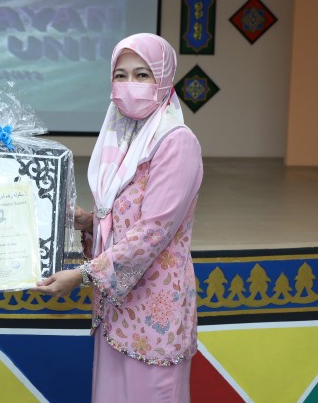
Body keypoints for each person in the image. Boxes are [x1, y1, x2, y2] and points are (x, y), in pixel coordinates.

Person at [34, 33, 202, 402]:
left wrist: (82, 275)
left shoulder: (175, 141)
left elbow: (154, 230)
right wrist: (90, 222)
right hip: (117, 308)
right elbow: (126, 215)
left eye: (142, 75)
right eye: (120, 75)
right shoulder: (123, 139)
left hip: (155, 310)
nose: (129, 85)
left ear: (163, 79)